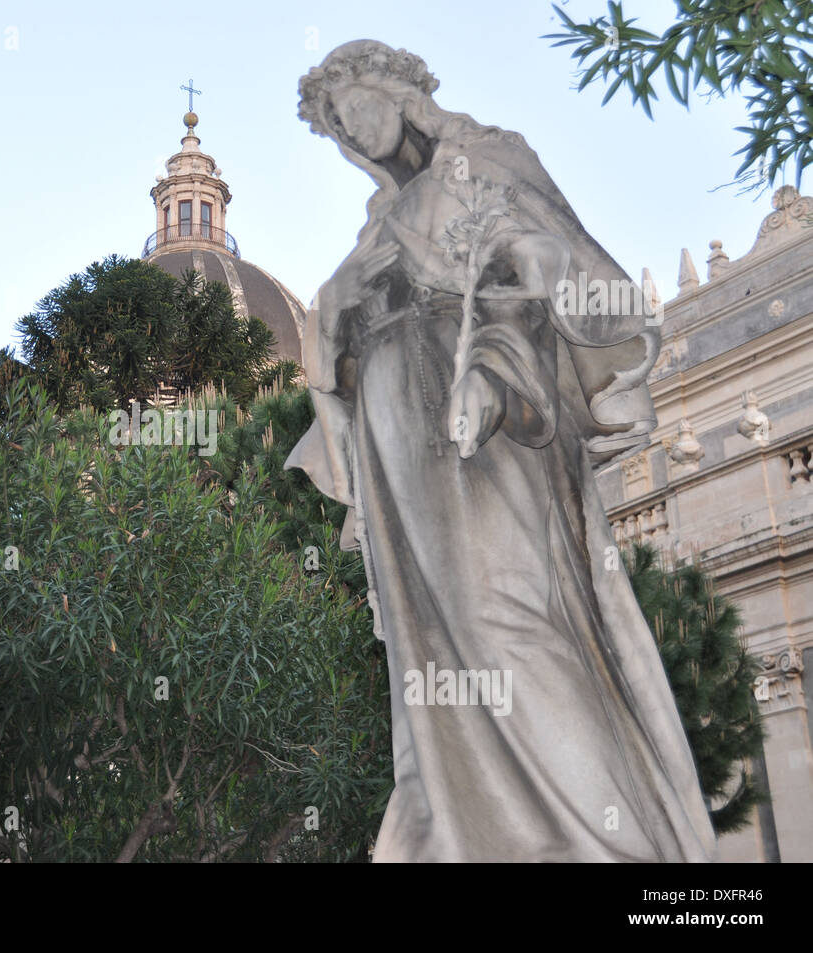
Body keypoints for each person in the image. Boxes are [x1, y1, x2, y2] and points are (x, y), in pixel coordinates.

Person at [286, 40, 717, 862]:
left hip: (486, 419)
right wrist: (335, 316)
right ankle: (452, 831)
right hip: (394, 435)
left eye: (357, 104)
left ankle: (609, 846)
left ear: (400, 90)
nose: (353, 129)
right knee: (430, 655)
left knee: (509, 619)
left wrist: (489, 365)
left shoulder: (489, 160)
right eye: (338, 123)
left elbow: (550, 269)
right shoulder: (377, 222)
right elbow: (330, 356)